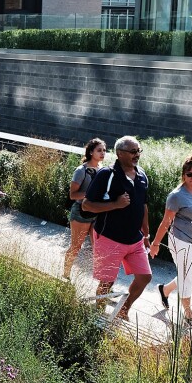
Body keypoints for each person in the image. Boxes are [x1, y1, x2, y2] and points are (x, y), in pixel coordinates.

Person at [81, 136, 152, 321]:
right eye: (133, 151)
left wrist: (146, 233)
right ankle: (98, 317)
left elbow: (143, 206)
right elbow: (86, 205)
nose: (137, 155)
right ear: (120, 154)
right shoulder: (107, 174)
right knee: (107, 282)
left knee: (145, 277)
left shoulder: (142, 175)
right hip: (110, 237)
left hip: (134, 239)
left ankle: (122, 310)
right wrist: (115, 204)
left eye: (139, 151)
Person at [149, 154, 192, 323]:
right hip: (181, 239)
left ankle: (164, 290)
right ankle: (188, 314)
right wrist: (156, 244)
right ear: (183, 175)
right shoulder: (176, 196)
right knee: (186, 276)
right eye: (190, 174)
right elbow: (166, 222)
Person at [63, 138, 107, 278]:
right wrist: (91, 193)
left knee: (99, 249)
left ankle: (103, 283)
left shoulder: (103, 170)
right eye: (99, 150)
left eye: (104, 150)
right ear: (91, 152)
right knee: (76, 247)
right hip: (81, 213)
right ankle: (65, 275)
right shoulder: (81, 170)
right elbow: (72, 195)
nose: (102, 153)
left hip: (97, 213)